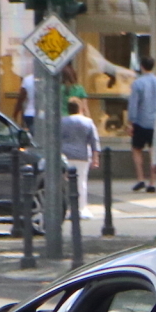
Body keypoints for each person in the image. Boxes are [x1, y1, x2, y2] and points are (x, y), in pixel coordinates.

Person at [59, 96, 101, 239]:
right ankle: (81, 208)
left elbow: (57, 139)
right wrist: (95, 158)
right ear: (80, 108)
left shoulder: (62, 121)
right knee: (81, 182)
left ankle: (69, 209)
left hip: (65, 155)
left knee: (66, 183)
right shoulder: (87, 122)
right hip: (82, 155)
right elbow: (94, 141)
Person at [126, 55, 156, 192]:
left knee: (137, 149)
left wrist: (130, 122)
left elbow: (133, 104)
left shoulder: (137, 83)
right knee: (154, 151)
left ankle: (140, 179)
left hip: (140, 121)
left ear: (142, 66)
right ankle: (153, 181)